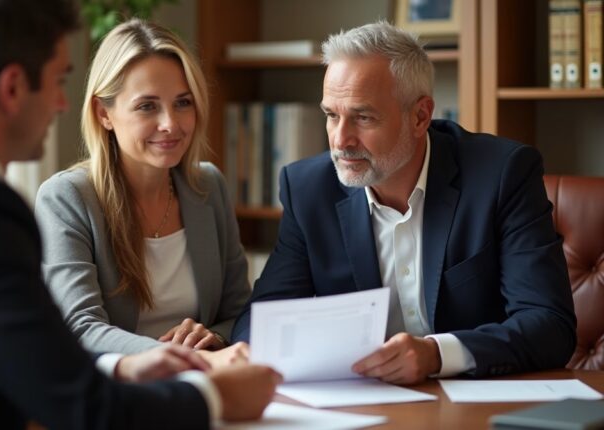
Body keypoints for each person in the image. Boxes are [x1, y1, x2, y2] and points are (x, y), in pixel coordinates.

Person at [0, 1, 280, 429]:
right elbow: (79, 403)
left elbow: (25, 364)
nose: (62, 105)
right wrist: (215, 397)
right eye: (56, 81)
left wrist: (126, 370)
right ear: (12, 88)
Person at [231, 21, 577, 385]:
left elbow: (549, 324)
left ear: (420, 116)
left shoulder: (502, 174)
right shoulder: (308, 188)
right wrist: (241, 349)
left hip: (472, 402)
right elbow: (263, 318)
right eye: (332, 116)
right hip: (359, 406)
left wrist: (437, 354)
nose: (341, 140)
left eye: (363, 117)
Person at [34, 19, 250, 366]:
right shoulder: (67, 198)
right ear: (103, 113)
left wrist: (215, 337)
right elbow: (80, 326)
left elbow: (239, 310)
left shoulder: (208, 186)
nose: (171, 123)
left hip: (205, 380)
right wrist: (176, 356)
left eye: (183, 102)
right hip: (121, 393)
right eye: (147, 106)